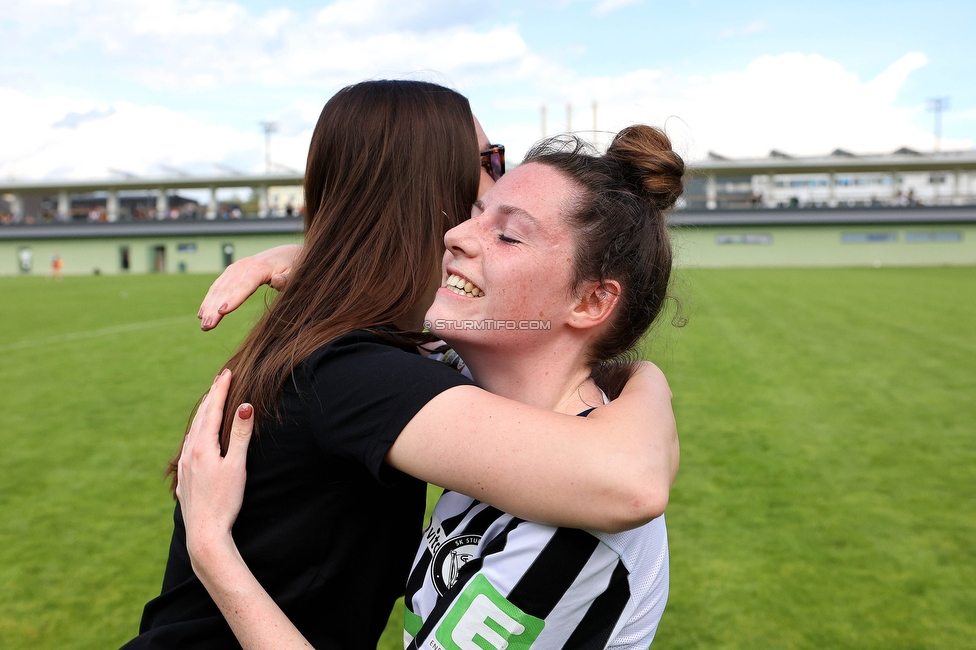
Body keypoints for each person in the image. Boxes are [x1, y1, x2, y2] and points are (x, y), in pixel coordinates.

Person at [130, 80, 678, 650]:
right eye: (488, 164)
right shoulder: (364, 373)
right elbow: (630, 479)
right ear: (423, 189)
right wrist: (645, 378)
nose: (463, 230)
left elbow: (627, 481)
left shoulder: (379, 359)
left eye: (508, 232)